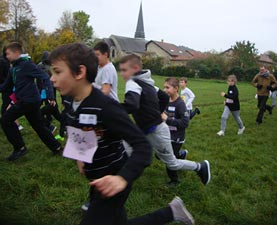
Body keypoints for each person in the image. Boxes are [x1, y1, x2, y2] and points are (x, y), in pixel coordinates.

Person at [49, 43, 195, 225]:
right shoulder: (72, 103)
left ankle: (171, 212)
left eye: (57, 72)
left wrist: (122, 179)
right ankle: (172, 212)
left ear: (79, 72)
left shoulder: (106, 107)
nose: (52, 79)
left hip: (114, 179)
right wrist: (80, 156)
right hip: (97, 180)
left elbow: (142, 147)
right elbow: (81, 127)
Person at [119, 54, 211, 186]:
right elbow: (164, 97)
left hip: (156, 131)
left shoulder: (132, 82)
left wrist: (111, 110)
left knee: (172, 163)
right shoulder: (148, 83)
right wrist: (157, 112)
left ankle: (200, 167)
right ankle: (122, 178)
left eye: (124, 70)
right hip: (144, 129)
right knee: (125, 149)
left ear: (135, 68)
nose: (122, 74)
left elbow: (132, 105)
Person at [0, 42, 62, 161]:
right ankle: (57, 147)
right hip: (28, 101)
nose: (6, 56)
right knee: (39, 126)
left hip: (28, 101)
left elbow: (45, 77)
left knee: (6, 120)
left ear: (16, 53)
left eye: (8, 54)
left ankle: (20, 147)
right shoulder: (14, 68)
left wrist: (50, 95)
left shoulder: (26, 65)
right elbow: (6, 86)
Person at [163, 77, 191, 186]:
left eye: (167, 87)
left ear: (176, 88)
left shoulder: (180, 104)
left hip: (177, 137)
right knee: (160, 154)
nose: (165, 90)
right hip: (167, 135)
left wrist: (167, 119)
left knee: (169, 160)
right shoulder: (166, 100)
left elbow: (185, 123)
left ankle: (174, 180)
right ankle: (181, 154)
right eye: (164, 87)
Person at [37, 51, 63, 135]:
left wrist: (50, 97)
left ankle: (51, 125)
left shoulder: (45, 67)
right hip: (47, 92)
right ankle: (51, 122)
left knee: (43, 111)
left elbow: (46, 83)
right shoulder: (45, 67)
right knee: (53, 110)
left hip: (47, 92)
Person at [0, 46, 11, 116]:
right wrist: (7, 82)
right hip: (5, 86)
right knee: (6, 102)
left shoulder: (7, 61)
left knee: (8, 102)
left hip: (7, 85)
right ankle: (4, 118)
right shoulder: (2, 61)